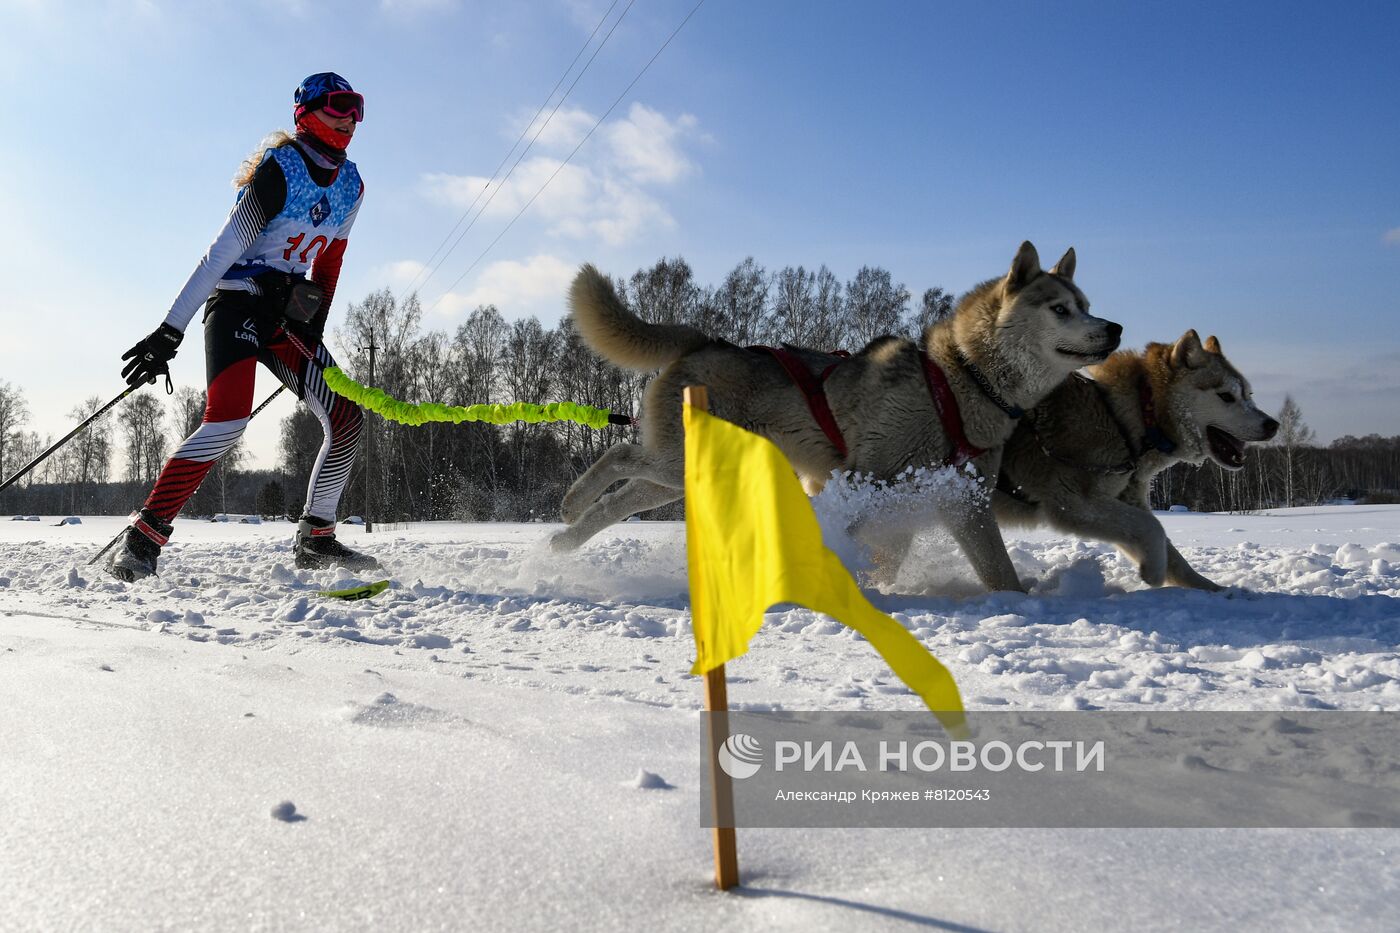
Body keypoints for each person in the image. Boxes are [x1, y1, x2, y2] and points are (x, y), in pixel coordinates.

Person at [108, 72, 377, 582]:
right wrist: (170, 330)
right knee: (227, 421)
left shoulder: (352, 186)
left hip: (284, 316)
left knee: (346, 416)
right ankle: (144, 538)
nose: (351, 118)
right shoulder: (281, 170)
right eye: (340, 105)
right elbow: (220, 255)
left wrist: (314, 326)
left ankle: (317, 538)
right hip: (237, 304)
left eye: (358, 108)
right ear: (308, 112)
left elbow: (331, 262)